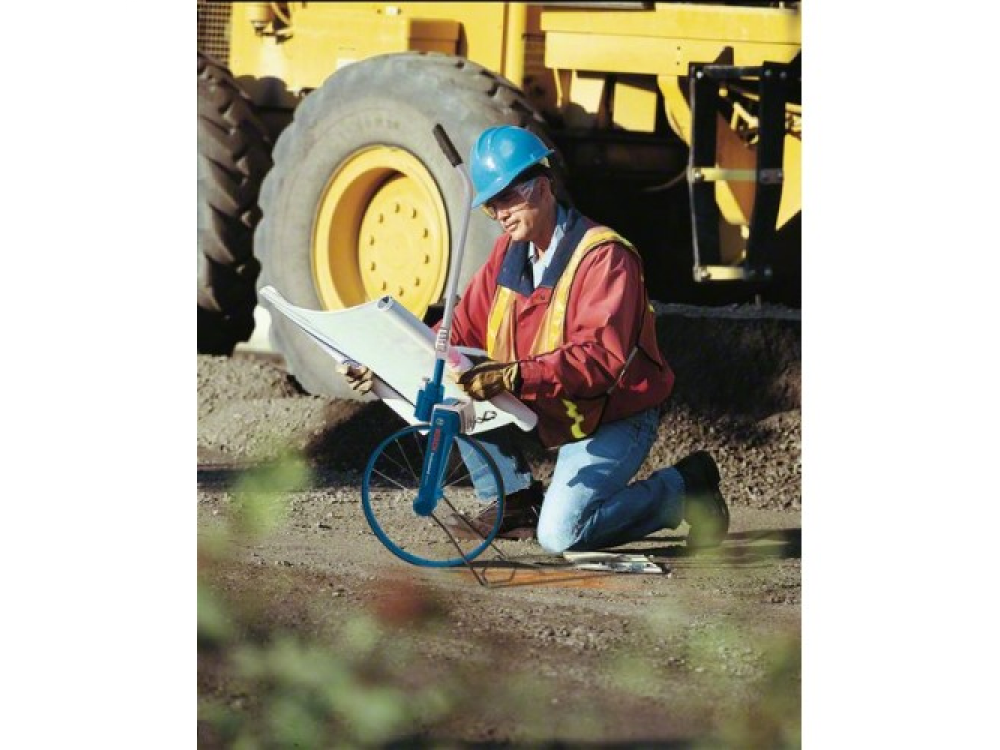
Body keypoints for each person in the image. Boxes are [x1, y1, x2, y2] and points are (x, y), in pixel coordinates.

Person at [341, 125, 729, 553]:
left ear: (543, 187)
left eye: (507, 198)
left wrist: (513, 376)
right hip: (553, 406)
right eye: (492, 205)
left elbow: (600, 359)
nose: (500, 214)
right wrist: (385, 364)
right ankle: (515, 502)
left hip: (613, 413)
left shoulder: (605, 258)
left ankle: (684, 489)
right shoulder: (508, 255)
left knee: (562, 536)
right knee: (452, 380)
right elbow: (458, 335)